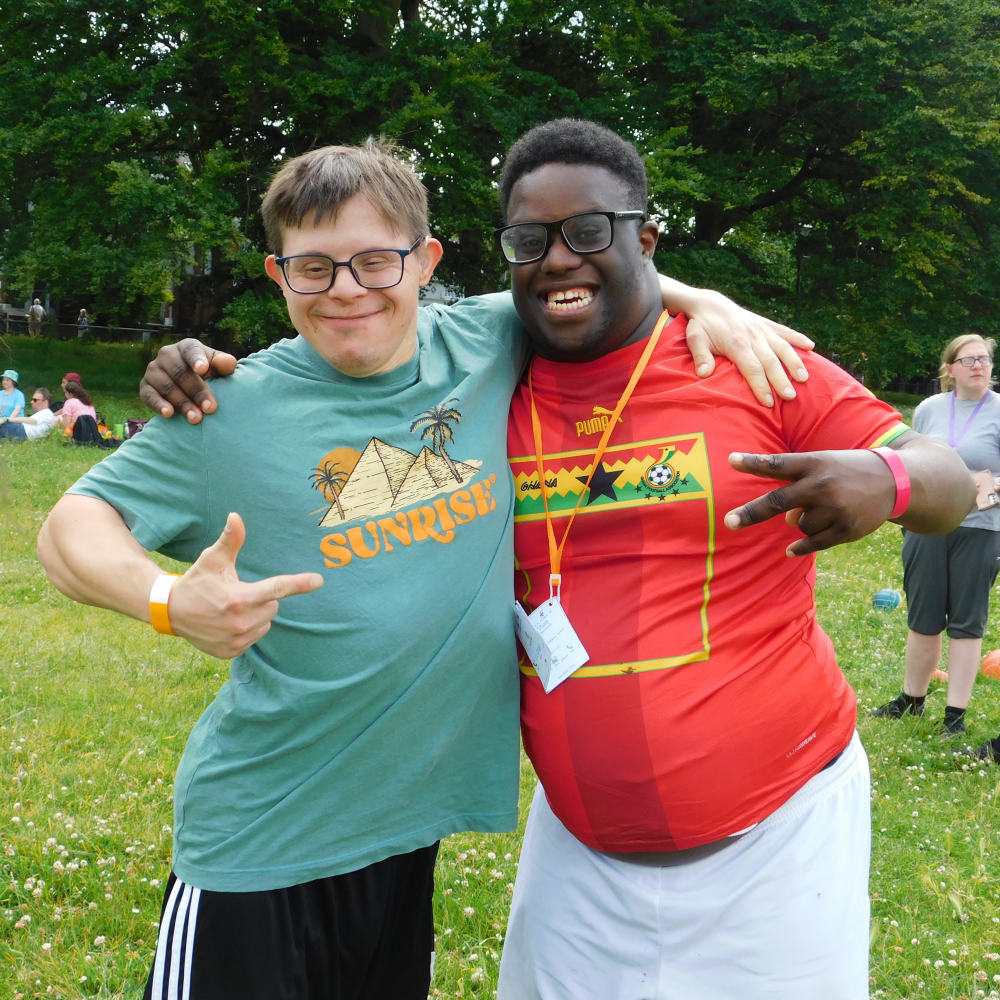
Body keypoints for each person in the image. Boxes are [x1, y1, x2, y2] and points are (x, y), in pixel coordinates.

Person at [139, 122, 974, 1000]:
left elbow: (948, 478)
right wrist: (184, 366)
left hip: (778, 834)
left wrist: (887, 477)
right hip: (580, 853)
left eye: (589, 233)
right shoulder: (489, 377)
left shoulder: (745, 361)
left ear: (644, 239)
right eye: (530, 241)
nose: (558, 260)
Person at [873, 334, 1000, 739]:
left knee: (966, 623)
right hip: (926, 527)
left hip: (980, 530)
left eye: (984, 359)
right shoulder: (928, 409)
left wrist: (974, 492)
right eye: (968, 360)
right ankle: (911, 700)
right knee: (923, 617)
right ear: (950, 369)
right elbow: (914, 462)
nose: (978, 366)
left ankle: (954, 717)